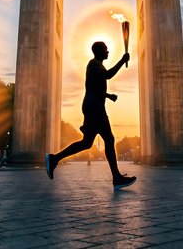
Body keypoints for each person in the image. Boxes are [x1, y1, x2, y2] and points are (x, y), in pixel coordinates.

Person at [45, 41, 136, 190]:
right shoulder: (94, 64)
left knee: (86, 143)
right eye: (106, 49)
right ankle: (117, 178)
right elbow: (107, 75)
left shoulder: (94, 65)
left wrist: (108, 95)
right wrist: (122, 60)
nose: (108, 51)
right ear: (99, 51)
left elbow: (93, 86)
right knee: (109, 138)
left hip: (92, 105)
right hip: (95, 107)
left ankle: (54, 159)